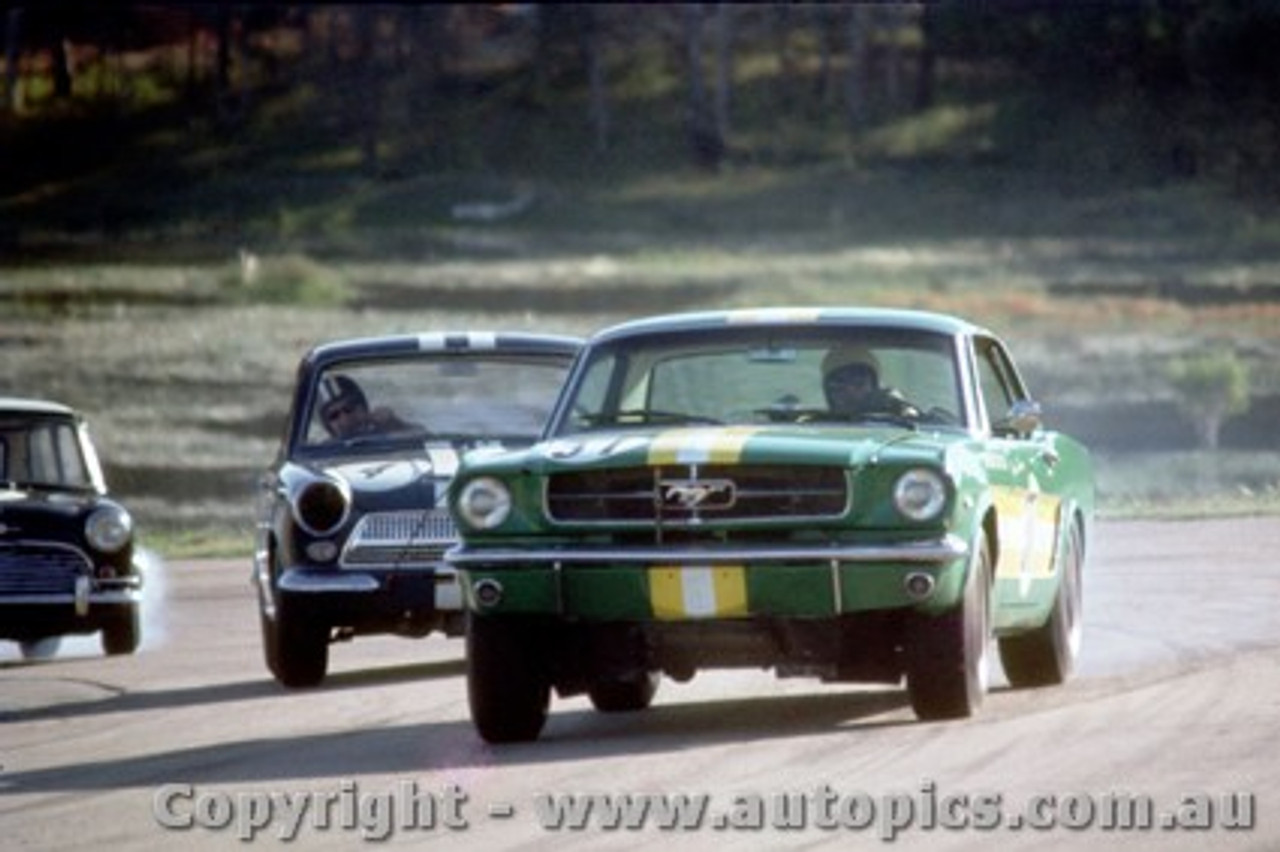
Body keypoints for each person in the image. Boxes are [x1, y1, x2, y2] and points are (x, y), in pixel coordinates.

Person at [820, 346, 917, 420]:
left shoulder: (897, 425)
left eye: (859, 384)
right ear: (828, 392)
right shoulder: (812, 429)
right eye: (839, 385)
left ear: (874, 387)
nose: (850, 391)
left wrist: (898, 407)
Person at [317, 374, 420, 439]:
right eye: (334, 415)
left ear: (362, 408)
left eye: (348, 409)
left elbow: (427, 439)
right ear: (327, 425)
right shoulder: (322, 452)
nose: (344, 418)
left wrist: (396, 424)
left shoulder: (387, 432)